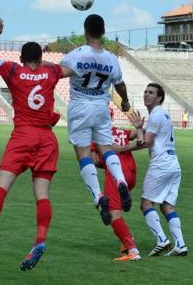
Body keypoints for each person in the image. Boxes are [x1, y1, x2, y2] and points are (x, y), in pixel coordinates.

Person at [0, 18, 71, 271]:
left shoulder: (12, 70)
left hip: (23, 135)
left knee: (2, 185)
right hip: (47, 139)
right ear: (40, 57)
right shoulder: (51, 72)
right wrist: (45, 62)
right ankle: (39, 241)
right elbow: (70, 69)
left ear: (20, 57)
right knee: (42, 195)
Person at [61, 14, 132, 226]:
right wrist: (125, 102)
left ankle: (98, 197)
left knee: (84, 154)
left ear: (85, 30)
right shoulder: (111, 58)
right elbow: (119, 84)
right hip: (102, 106)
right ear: (103, 31)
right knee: (106, 148)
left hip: (80, 106)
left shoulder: (76, 55)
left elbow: (59, 72)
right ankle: (120, 180)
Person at [129, 83, 188, 257]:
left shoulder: (156, 114)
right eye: (145, 92)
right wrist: (138, 128)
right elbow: (144, 135)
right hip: (173, 164)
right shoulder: (162, 114)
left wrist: (120, 149)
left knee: (145, 204)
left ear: (159, 98)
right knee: (167, 206)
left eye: (151, 93)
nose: (146, 95)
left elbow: (146, 142)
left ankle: (162, 240)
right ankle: (180, 245)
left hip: (161, 164)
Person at [90, 107, 141, 261]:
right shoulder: (121, 132)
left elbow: (94, 161)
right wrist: (138, 127)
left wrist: (103, 163)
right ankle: (126, 241)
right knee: (116, 208)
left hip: (115, 175)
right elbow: (140, 136)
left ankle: (132, 251)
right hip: (131, 173)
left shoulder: (97, 136)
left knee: (113, 213)